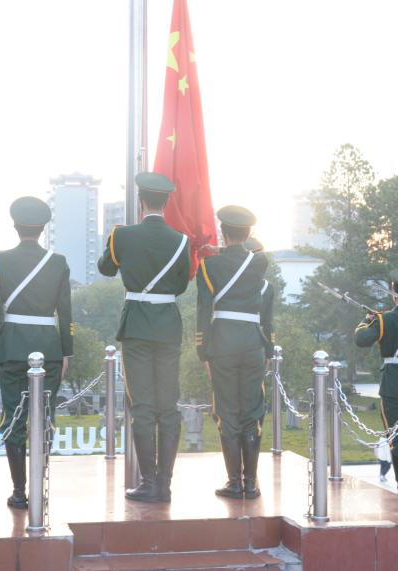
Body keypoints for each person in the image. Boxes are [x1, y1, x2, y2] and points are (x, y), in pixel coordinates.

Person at [97, 172, 191, 503]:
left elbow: (106, 268)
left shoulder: (122, 235)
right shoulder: (181, 240)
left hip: (136, 326)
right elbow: (180, 285)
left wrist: (118, 245)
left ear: (140, 201)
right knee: (168, 406)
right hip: (167, 327)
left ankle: (148, 482)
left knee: (142, 406)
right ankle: (164, 484)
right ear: (166, 203)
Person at [0, 197, 73, 510]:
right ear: (42, 228)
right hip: (49, 348)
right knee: (45, 417)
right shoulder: (58, 262)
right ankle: (39, 486)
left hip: (11, 347)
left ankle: (19, 491)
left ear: (15, 225)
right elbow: (66, 311)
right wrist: (66, 351)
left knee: (13, 417)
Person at [196, 207, 272, 499]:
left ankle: (234, 482)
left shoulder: (209, 266)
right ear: (249, 233)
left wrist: (203, 351)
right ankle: (251, 484)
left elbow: (203, 311)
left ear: (223, 232)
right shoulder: (260, 262)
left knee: (227, 411)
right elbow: (244, 256)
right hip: (253, 344)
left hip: (222, 344)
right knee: (252, 412)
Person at [354, 269, 398, 499]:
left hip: (393, 384)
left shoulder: (384, 319)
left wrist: (366, 320)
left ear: (394, 293)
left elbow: (361, 339)